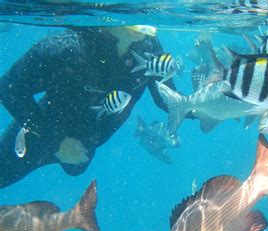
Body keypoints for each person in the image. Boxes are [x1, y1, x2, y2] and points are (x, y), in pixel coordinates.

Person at [0, 25, 175, 188]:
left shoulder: (148, 47)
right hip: (39, 137)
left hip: (83, 149)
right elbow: (10, 88)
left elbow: (166, 98)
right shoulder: (66, 49)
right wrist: (56, 143)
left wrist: (198, 105)